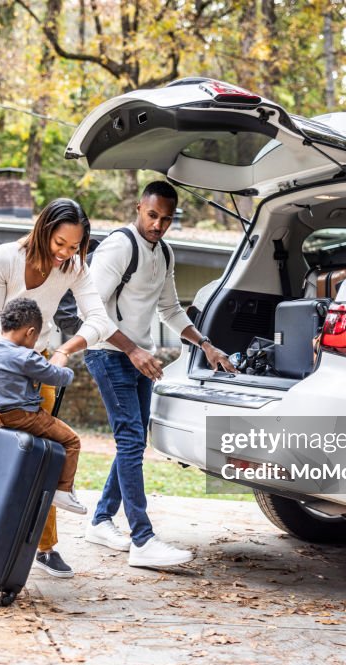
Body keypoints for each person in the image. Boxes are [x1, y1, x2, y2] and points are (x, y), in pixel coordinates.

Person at [0, 198, 116, 579]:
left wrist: (62, 350)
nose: (65, 253)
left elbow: (99, 319)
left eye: (74, 246)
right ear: (43, 230)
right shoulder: (3, 258)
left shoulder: (74, 268)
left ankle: (44, 547)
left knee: (42, 457)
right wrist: (17, 355)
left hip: (36, 363)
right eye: (60, 243)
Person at [83, 180, 236, 568]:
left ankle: (100, 520)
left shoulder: (164, 252)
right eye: (152, 215)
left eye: (166, 219)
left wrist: (206, 344)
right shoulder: (120, 247)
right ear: (139, 208)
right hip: (108, 353)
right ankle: (142, 540)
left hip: (138, 356)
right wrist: (132, 350)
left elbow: (170, 310)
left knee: (133, 442)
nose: (158, 225)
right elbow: (91, 311)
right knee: (130, 440)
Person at [0, 298, 85, 517]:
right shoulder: (26, 356)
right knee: (71, 441)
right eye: (36, 338)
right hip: (25, 416)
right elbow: (56, 377)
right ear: (30, 332)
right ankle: (63, 490)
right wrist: (67, 369)